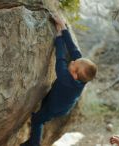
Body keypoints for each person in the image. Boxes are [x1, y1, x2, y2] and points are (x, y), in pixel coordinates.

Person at [20, 15, 97, 146]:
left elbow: (60, 58)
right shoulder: (81, 76)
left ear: (74, 75)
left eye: (74, 64)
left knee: (38, 120)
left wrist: (59, 38)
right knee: (46, 102)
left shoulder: (66, 78)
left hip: (56, 108)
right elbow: (73, 50)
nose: (72, 61)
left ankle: (33, 143)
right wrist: (63, 27)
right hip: (61, 101)